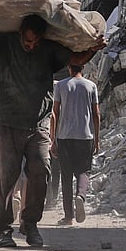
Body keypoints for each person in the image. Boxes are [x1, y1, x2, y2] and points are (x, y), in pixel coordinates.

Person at [0, 1, 104, 248]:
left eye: (35, 42)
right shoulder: (6, 44)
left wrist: (96, 48)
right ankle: (4, 230)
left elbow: (78, 57)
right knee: (7, 178)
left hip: (38, 124)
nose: (31, 45)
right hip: (7, 123)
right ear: (20, 34)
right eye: (28, 41)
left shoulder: (49, 49)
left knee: (41, 172)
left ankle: (30, 224)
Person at [51, 64, 100, 226]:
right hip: (85, 136)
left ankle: (69, 217)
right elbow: (96, 114)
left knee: (66, 176)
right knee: (83, 171)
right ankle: (81, 195)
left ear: (69, 67)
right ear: (83, 67)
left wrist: (53, 139)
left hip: (64, 136)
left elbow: (55, 113)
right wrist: (97, 139)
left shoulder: (61, 85)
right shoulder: (91, 86)